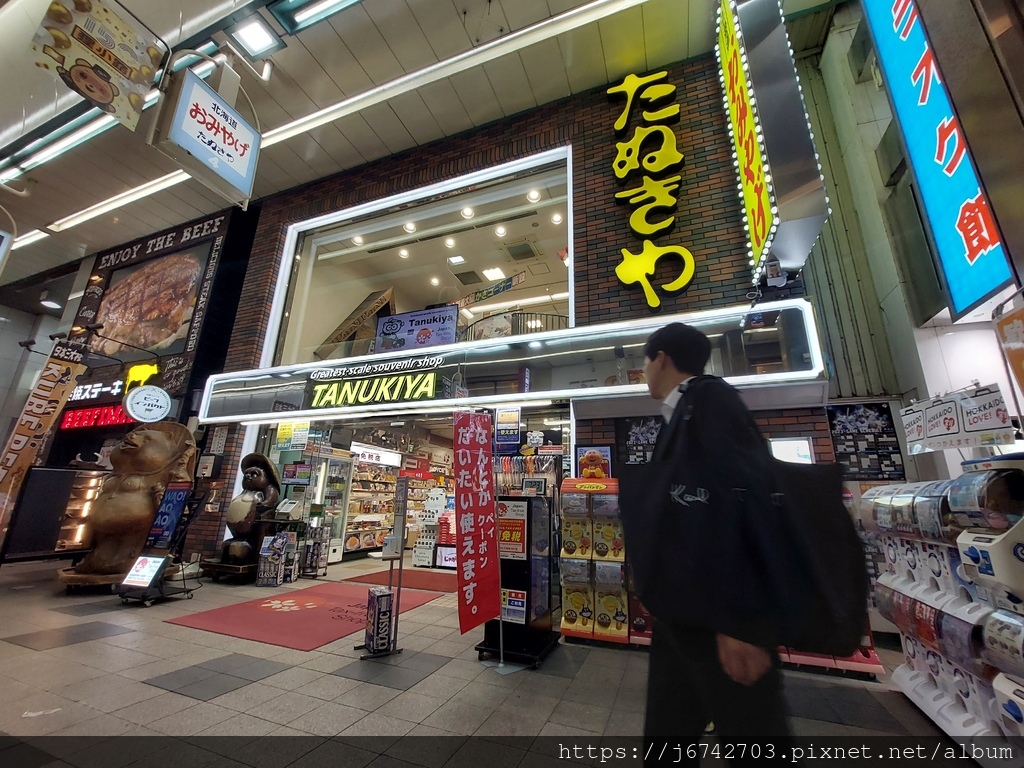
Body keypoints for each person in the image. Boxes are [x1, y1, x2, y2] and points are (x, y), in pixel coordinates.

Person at [640, 322, 791, 761]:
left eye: (645, 362)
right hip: (683, 614)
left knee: (754, 737)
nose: (644, 371)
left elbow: (747, 501)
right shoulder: (684, 411)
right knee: (668, 734)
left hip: (721, 618)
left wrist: (741, 622)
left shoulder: (711, 402)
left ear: (661, 358)